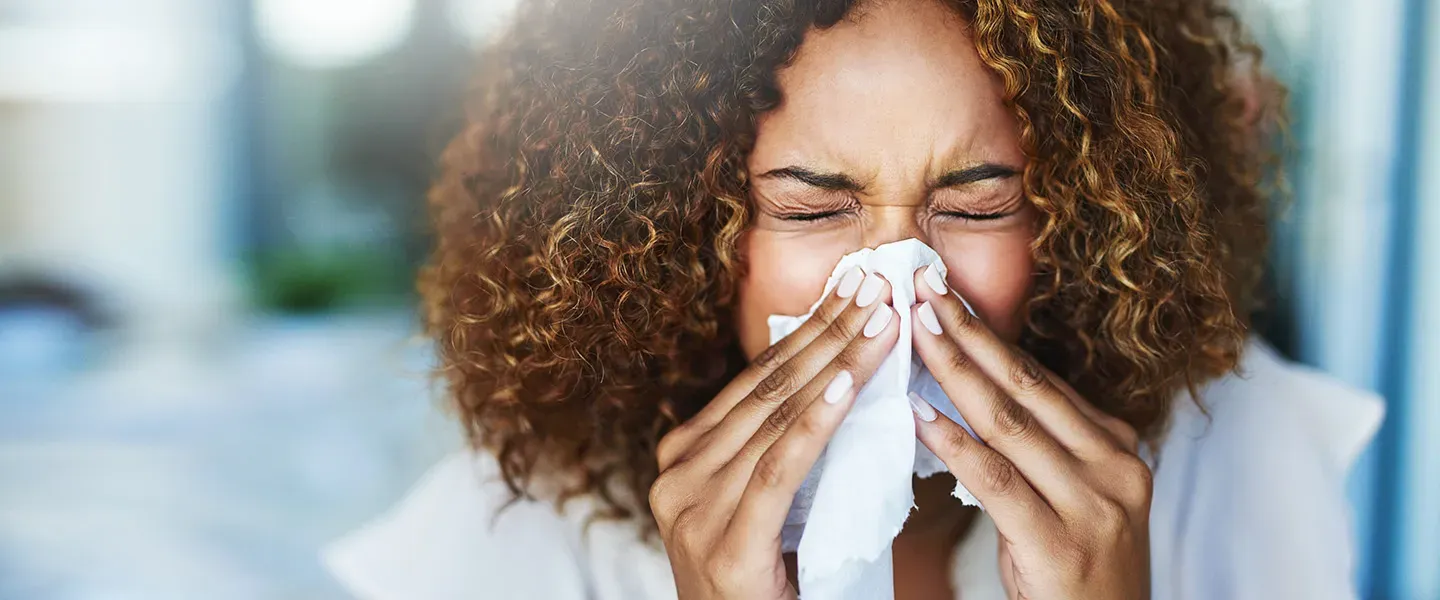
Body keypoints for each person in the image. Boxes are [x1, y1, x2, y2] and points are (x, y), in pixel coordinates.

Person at [323, 0, 1384, 598]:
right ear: (682, 237)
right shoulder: (511, 546)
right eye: (810, 209)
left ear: (1076, 224)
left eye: (974, 207)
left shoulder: (1237, 464)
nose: (896, 285)